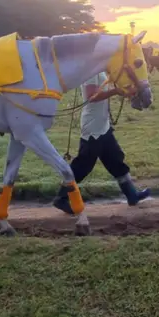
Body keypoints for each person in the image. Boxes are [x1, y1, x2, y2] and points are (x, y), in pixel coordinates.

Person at [53, 71, 150, 212]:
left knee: (116, 159)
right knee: (82, 166)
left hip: (102, 126)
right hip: (93, 129)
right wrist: (116, 91)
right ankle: (61, 198)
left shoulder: (100, 70)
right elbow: (91, 96)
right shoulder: (91, 72)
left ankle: (132, 195)